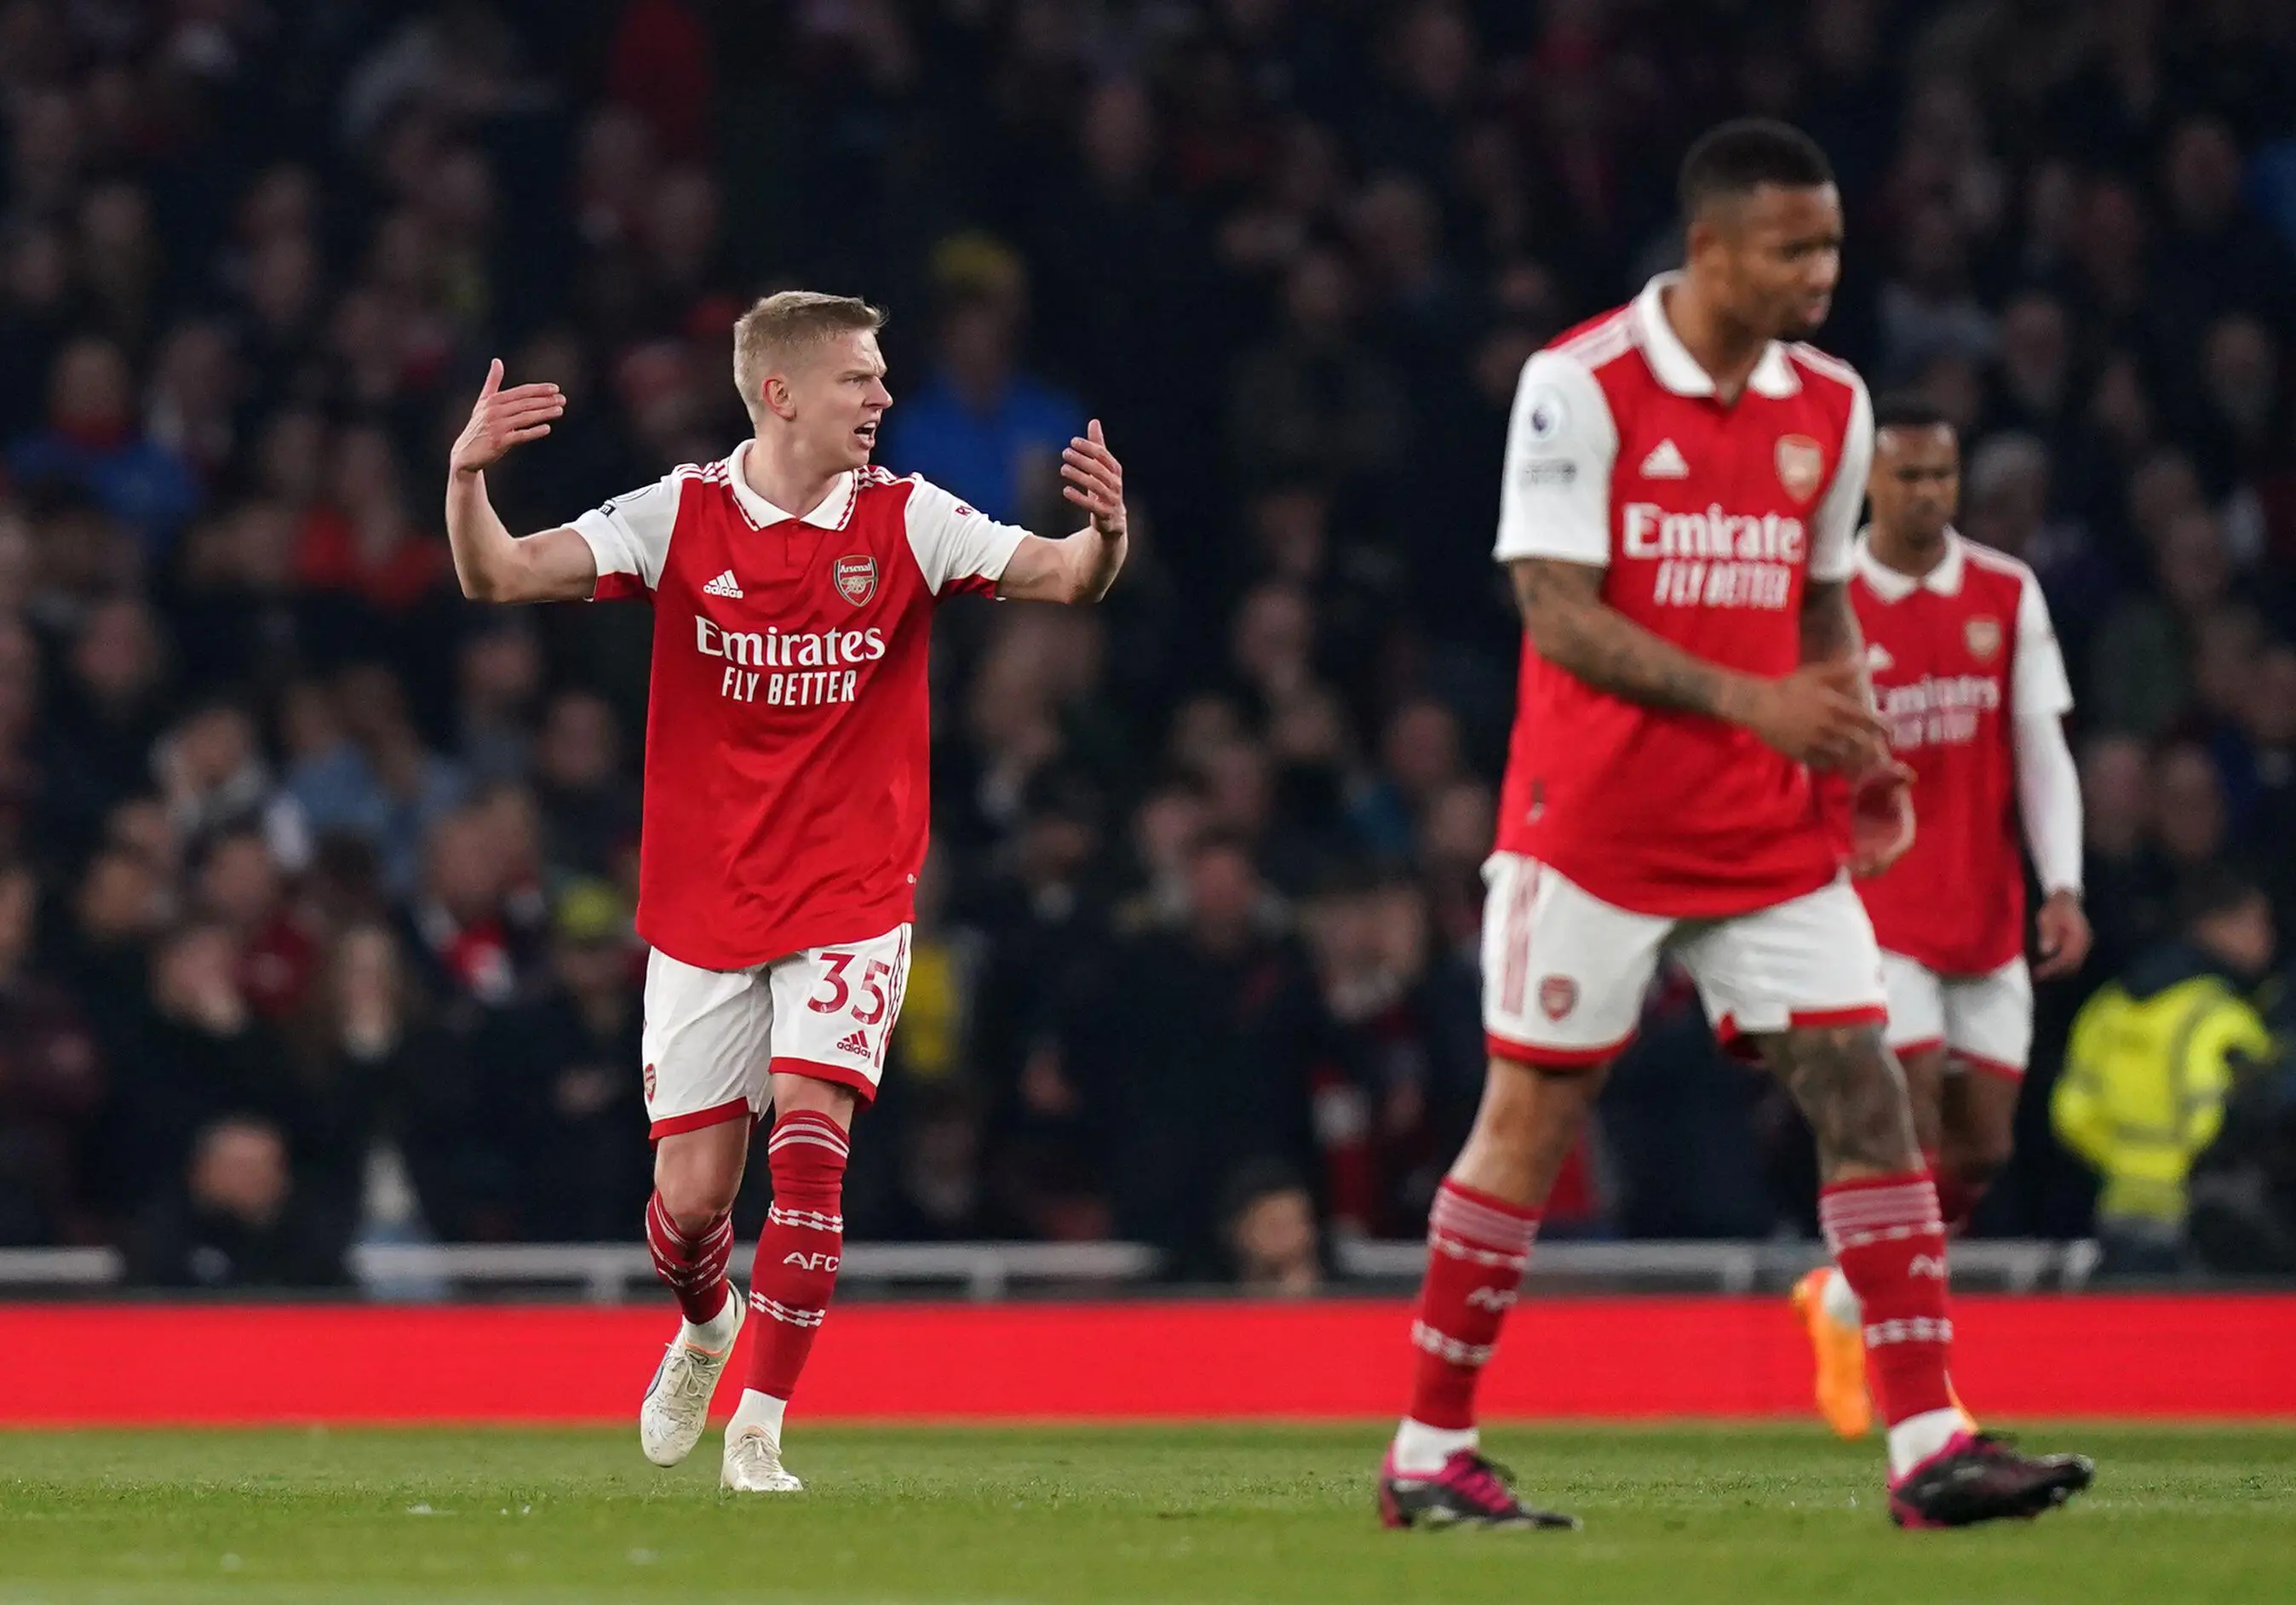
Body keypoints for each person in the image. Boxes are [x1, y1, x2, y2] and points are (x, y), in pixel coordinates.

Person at [1376, 121, 2092, 1533]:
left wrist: (1859, 750)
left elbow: (1822, 605)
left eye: (1830, 246)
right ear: (1709, 249)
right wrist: (1752, 702)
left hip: (1767, 839)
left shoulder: (1832, 404)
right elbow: (1556, 613)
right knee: (1529, 1120)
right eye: (1791, 249)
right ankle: (1426, 1450)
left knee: (1864, 1089)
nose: (1821, 272)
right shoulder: (1578, 385)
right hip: (1594, 830)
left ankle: (1928, 1442)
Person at [443, 289, 1127, 1493]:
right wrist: (465, 479)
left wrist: (1106, 535)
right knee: (690, 1205)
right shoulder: (679, 515)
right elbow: (497, 575)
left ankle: (758, 1431)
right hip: (705, 905)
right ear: (781, 393)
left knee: (811, 1148)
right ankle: (707, 1326)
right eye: (860, 378)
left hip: (853, 895)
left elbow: (1067, 578)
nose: (883, 397)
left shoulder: (911, 520)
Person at [1790, 396, 2089, 1440]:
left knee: (1980, 1150)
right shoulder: (1825, 598)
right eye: (1907, 475)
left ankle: (1840, 1293)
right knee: (1906, 1132)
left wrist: (2062, 884)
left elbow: (2039, 749)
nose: (1926, 493)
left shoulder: (2004, 592)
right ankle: (1915, 1377)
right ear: (1867, 482)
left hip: (1983, 911)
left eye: (1940, 476)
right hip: (1874, 912)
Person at [2054, 867, 2276, 1277]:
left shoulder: (2110, 1005)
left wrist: (2128, 1164)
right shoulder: (2219, 1017)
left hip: (2119, 1210)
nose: (2267, 938)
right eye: (2256, 923)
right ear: (2217, 926)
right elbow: (2235, 1128)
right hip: (2201, 1224)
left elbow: (2071, 1114)